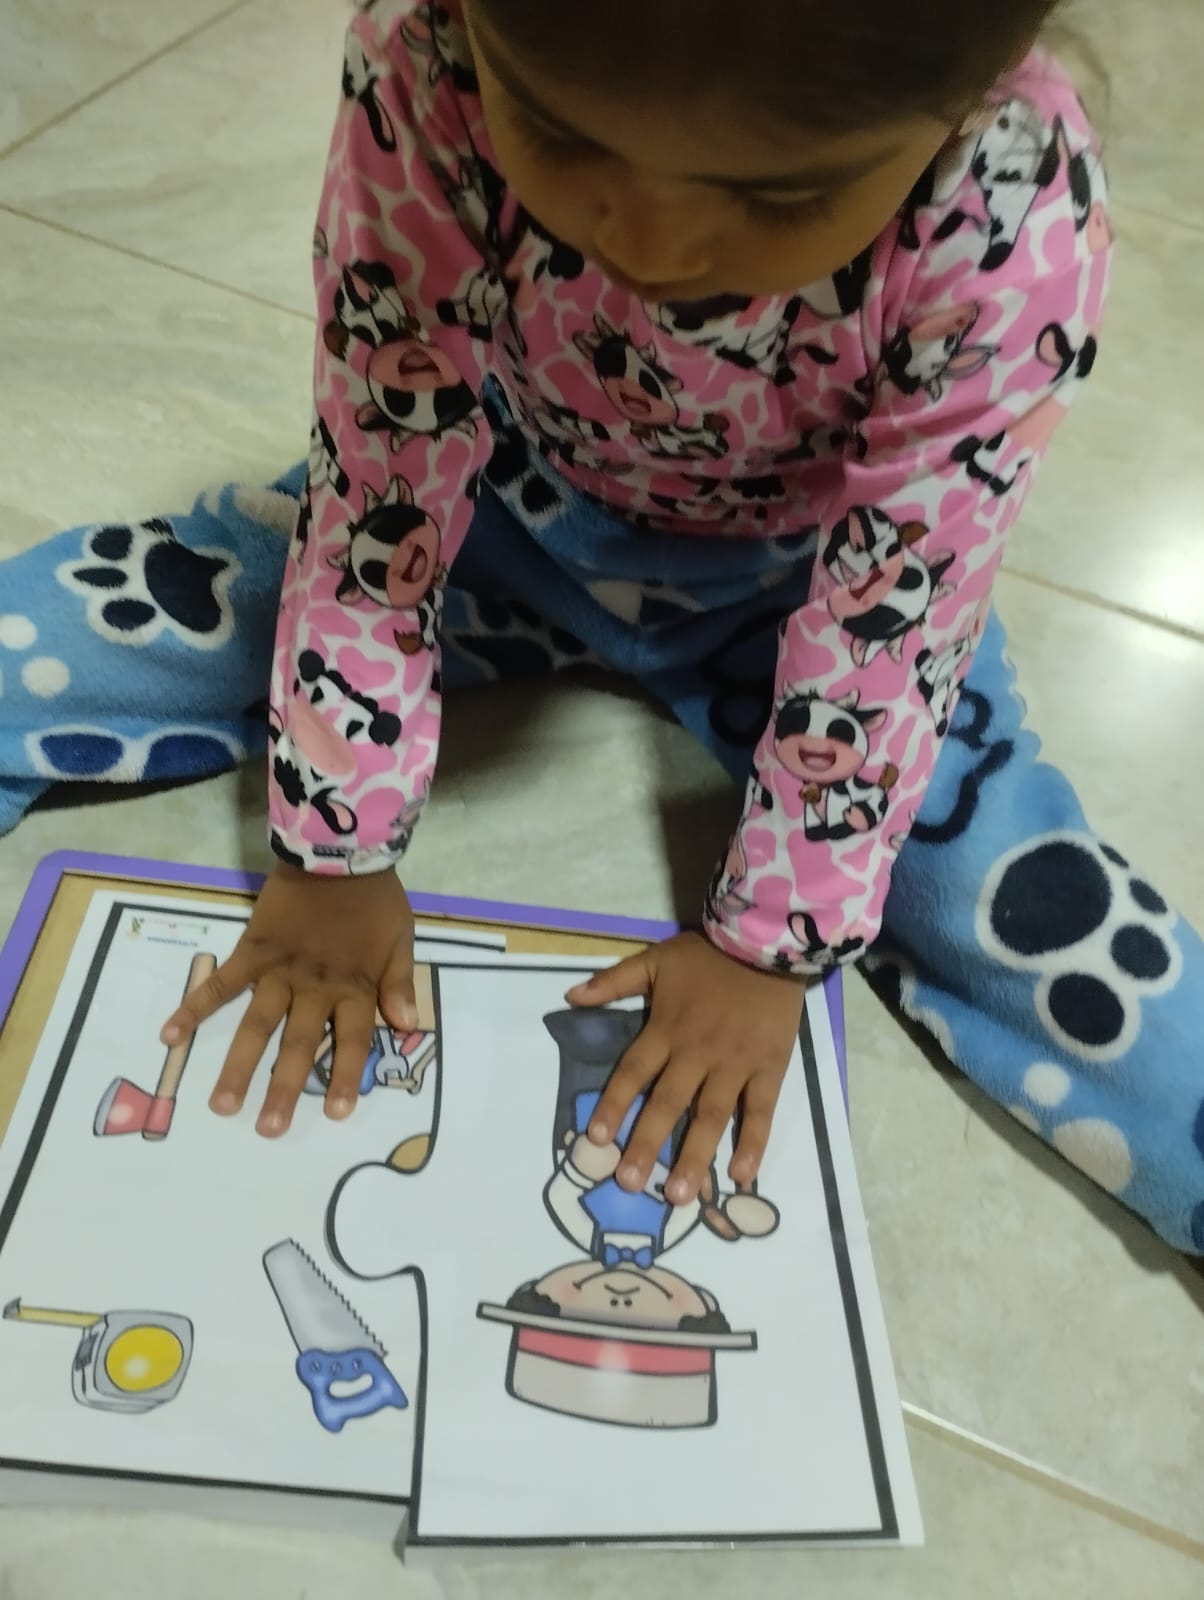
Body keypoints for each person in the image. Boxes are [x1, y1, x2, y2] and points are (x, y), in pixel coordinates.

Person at [2, 0, 1201, 1251]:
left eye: (777, 196)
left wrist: (770, 949)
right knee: (149, 610)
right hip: (489, 515)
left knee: (1002, 891)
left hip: (815, 595)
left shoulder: (1013, 199)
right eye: (563, 134)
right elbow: (378, 484)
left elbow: (895, 628)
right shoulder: (426, 50)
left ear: (968, 94)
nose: (647, 242)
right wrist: (332, 852)